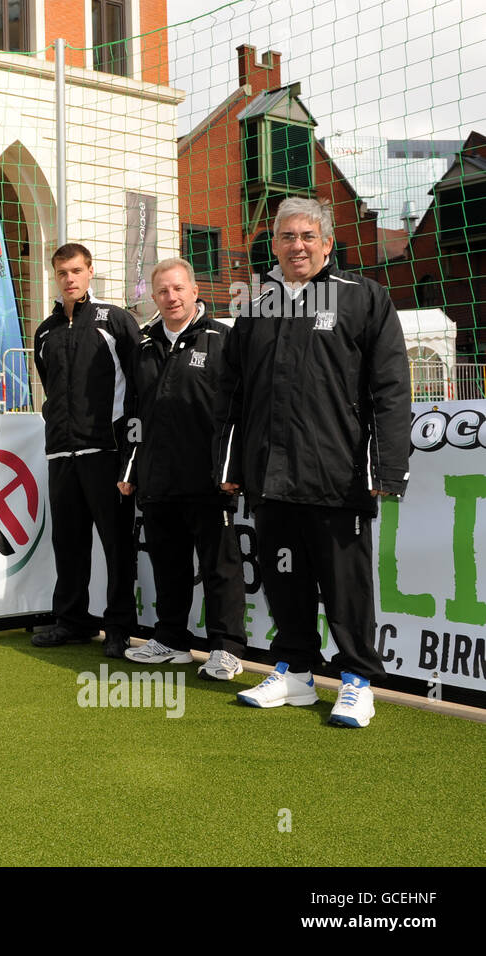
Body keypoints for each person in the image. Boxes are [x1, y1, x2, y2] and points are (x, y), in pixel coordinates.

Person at [214, 197, 411, 727]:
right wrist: (232, 465)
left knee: (346, 586)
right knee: (285, 579)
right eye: (286, 237)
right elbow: (231, 393)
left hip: (337, 476)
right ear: (274, 244)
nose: (296, 246)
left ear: (327, 243)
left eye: (307, 237)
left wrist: (387, 467)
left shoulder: (363, 298)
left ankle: (356, 681)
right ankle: (296, 673)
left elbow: (391, 388)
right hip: (271, 478)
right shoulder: (256, 305)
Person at [118, 258, 247, 680]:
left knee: (219, 568)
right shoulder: (143, 345)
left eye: (178, 289)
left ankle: (225, 648)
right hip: (157, 479)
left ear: (194, 291)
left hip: (210, 480)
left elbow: (239, 411)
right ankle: (171, 641)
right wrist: (132, 467)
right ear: (154, 297)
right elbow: (136, 413)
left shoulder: (224, 340)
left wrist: (231, 467)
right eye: (162, 291)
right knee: (168, 566)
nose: (171, 297)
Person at [32, 243, 141, 657]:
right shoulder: (45, 331)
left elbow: (137, 384)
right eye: (62, 273)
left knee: (115, 543)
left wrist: (130, 447)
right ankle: (72, 621)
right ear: (55, 276)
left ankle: (118, 627)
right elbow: (49, 388)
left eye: (76, 270)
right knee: (69, 541)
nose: (70, 279)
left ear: (90, 271)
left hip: (106, 451)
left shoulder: (114, 320)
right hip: (61, 453)